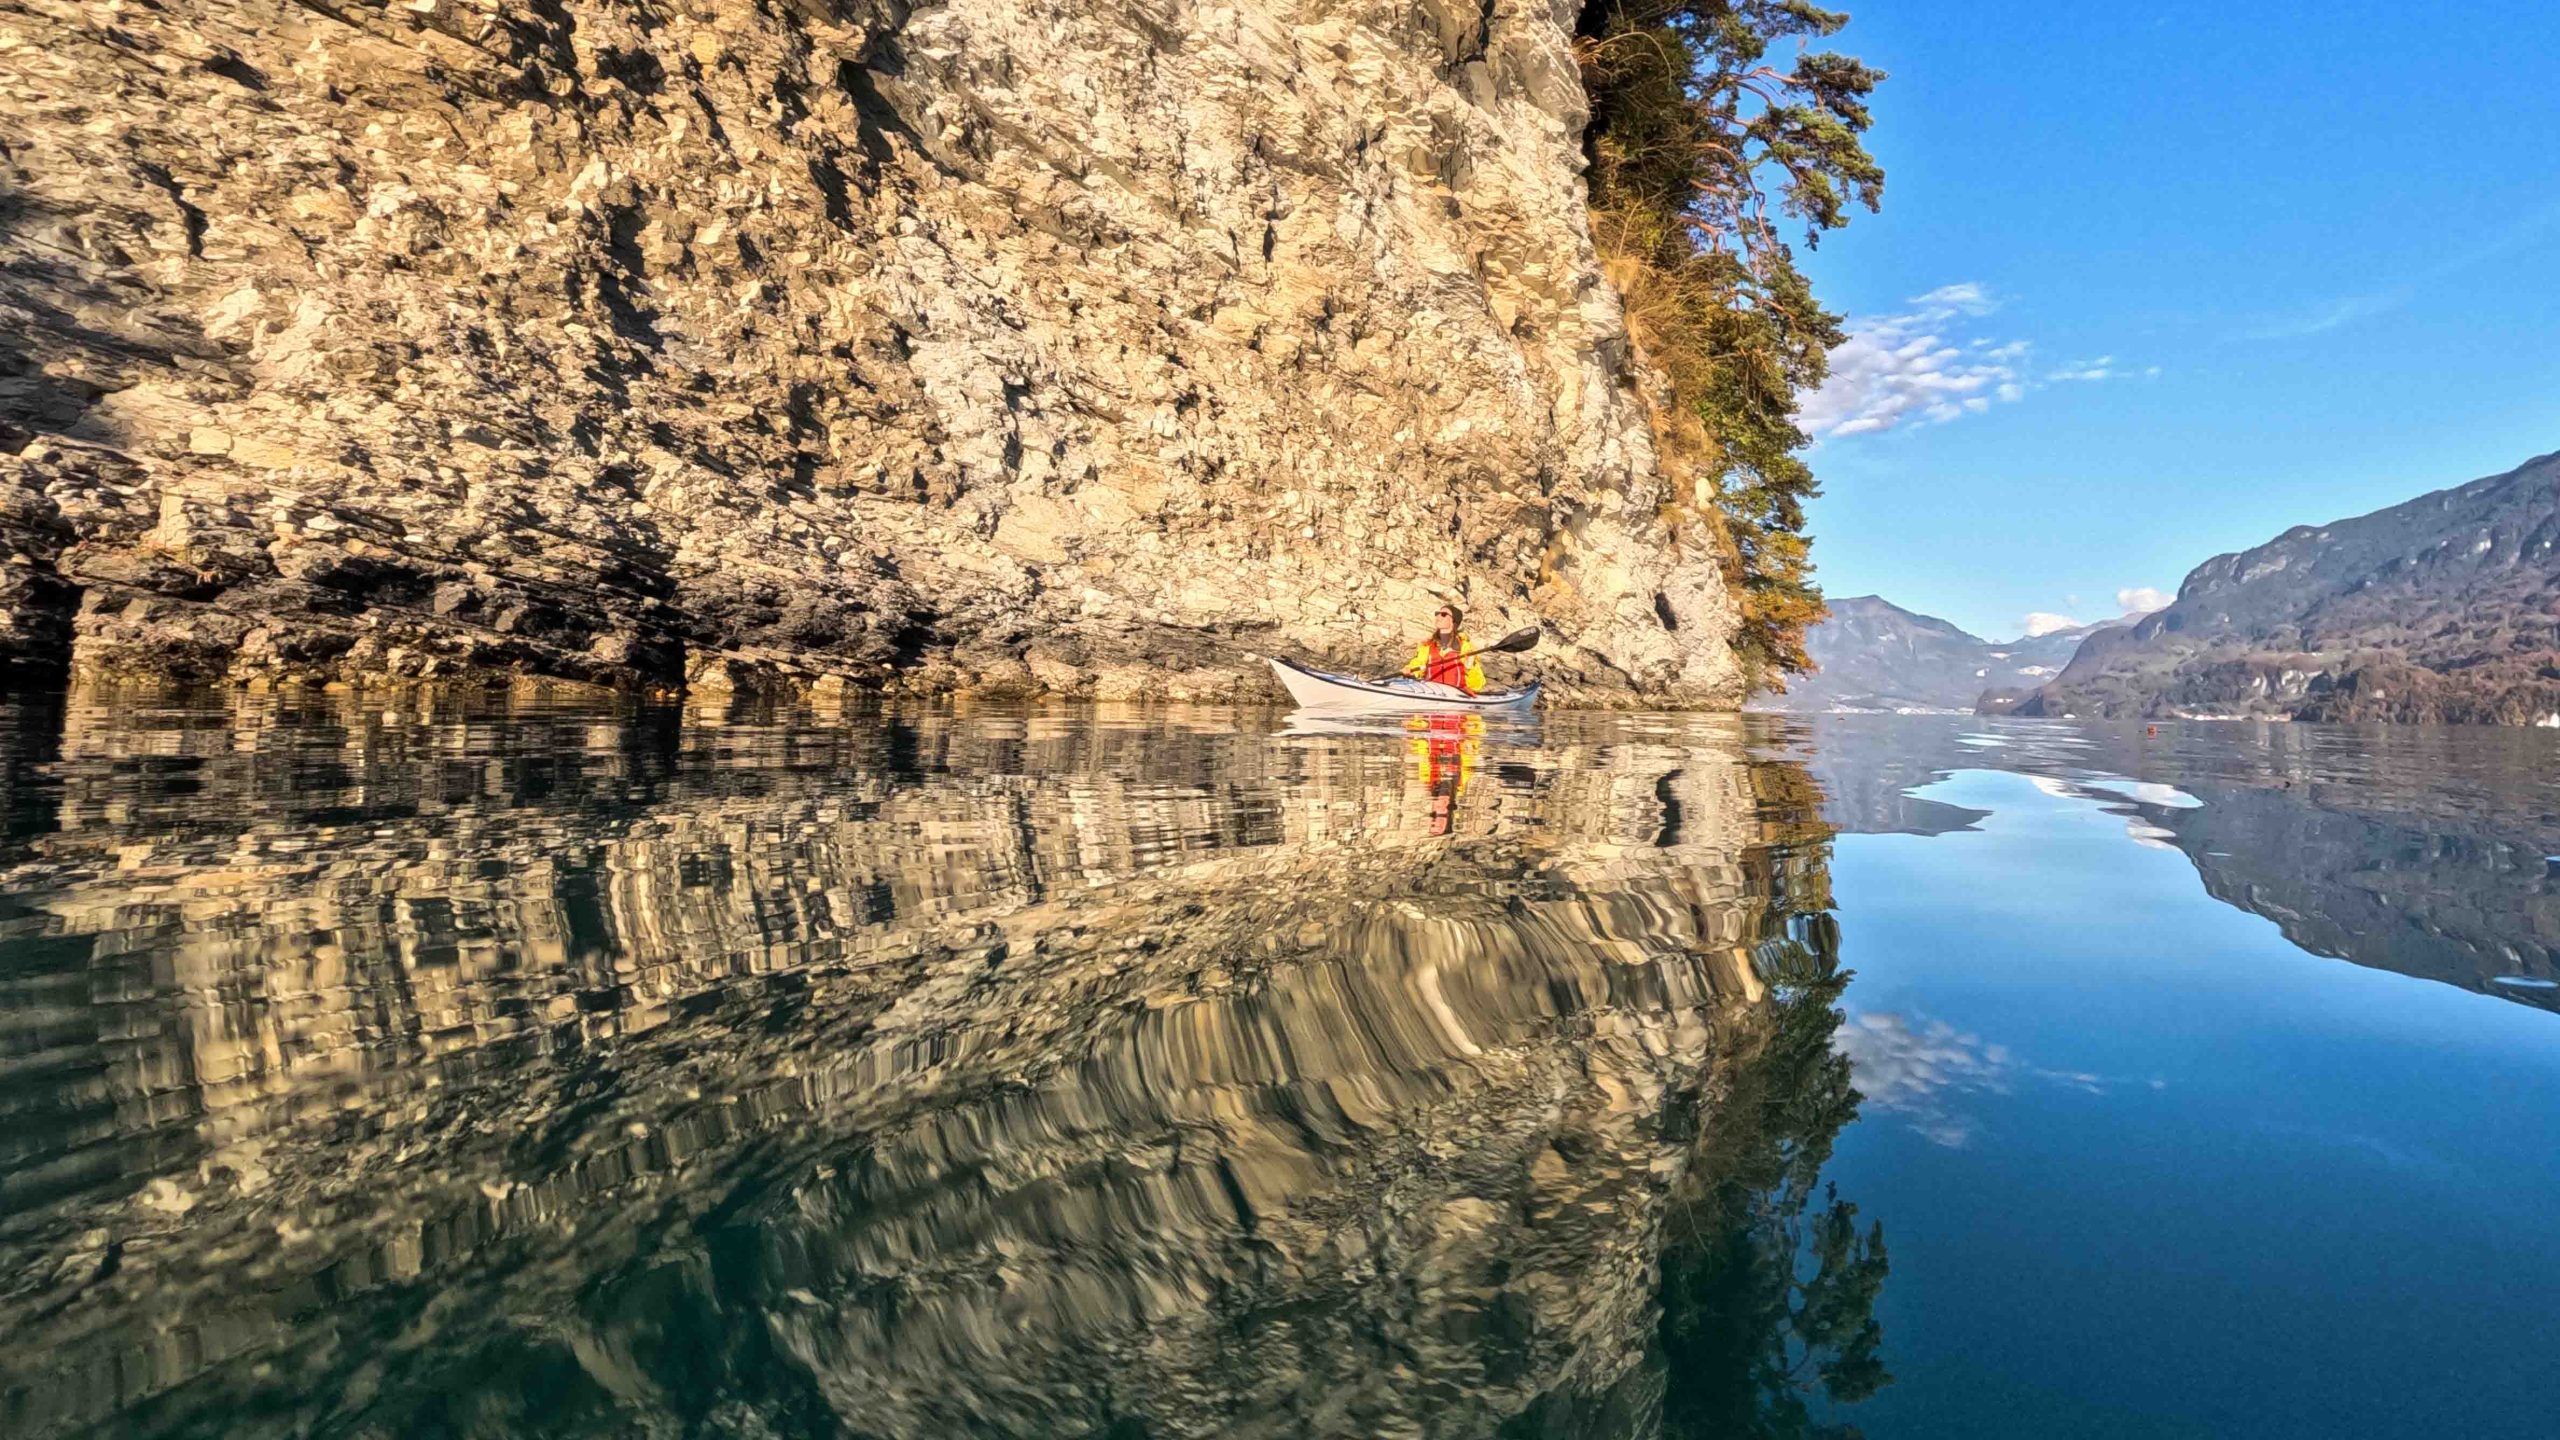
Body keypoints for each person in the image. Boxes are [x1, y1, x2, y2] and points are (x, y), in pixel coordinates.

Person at [1403, 604, 1486, 696]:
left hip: (1457, 697)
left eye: (1443, 614)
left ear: (1453, 621)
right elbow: (1418, 663)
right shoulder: (1427, 645)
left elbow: (1477, 685)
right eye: (1437, 613)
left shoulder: (1466, 648)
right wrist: (1410, 670)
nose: (1438, 616)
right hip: (1431, 693)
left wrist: (1470, 668)